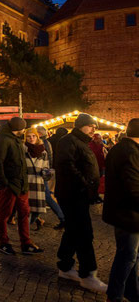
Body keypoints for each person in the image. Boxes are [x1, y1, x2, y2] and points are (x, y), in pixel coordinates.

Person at [55, 113, 106, 293]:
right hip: (72, 195)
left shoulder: (81, 142)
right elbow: (67, 166)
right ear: (80, 125)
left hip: (79, 194)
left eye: (95, 127)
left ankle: (65, 266)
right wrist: (85, 184)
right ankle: (88, 274)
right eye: (91, 126)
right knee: (84, 233)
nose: (93, 129)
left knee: (72, 230)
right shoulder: (68, 141)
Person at [0, 116, 43, 255]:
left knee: (24, 213)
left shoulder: (16, 140)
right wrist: (3, 183)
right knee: (4, 214)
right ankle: (4, 243)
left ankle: (25, 243)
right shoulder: (3, 140)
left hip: (21, 184)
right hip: (10, 185)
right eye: (23, 128)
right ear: (18, 129)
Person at [103, 118, 139, 302]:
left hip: (122, 211)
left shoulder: (120, 149)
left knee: (131, 254)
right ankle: (114, 295)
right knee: (127, 255)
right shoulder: (130, 153)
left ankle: (132, 293)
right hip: (128, 213)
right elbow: (133, 188)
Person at [37, 126, 65, 230]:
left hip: (41, 173)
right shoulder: (46, 143)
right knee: (45, 196)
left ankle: (62, 218)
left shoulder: (44, 143)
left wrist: (46, 173)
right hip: (46, 172)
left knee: (47, 196)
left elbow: (47, 160)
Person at [24, 128, 49, 230]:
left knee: (37, 210)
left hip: (38, 182)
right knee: (26, 210)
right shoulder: (23, 150)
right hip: (27, 182)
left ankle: (30, 225)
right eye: (29, 136)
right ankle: (25, 231)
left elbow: (46, 166)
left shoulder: (43, 151)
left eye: (33, 136)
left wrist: (46, 173)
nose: (31, 138)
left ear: (37, 137)